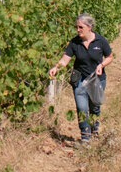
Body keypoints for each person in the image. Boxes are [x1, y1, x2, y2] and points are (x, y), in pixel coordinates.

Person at [48, 14, 114, 144]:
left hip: (96, 80)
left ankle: (94, 129)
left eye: (80, 27)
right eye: (76, 27)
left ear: (89, 27)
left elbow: (110, 57)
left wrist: (101, 65)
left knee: (95, 107)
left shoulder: (100, 41)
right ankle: (85, 137)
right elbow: (65, 59)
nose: (78, 30)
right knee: (82, 108)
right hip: (79, 80)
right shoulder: (74, 43)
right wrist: (56, 68)